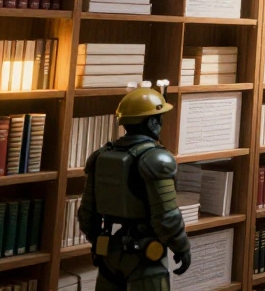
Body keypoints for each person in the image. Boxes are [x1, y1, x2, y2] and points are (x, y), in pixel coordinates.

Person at [79, 84, 191, 291]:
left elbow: (87, 212)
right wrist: (181, 247)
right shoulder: (156, 159)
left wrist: (96, 241)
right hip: (144, 256)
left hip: (109, 251)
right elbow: (166, 216)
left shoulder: (101, 156)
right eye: (159, 118)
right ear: (152, 122)